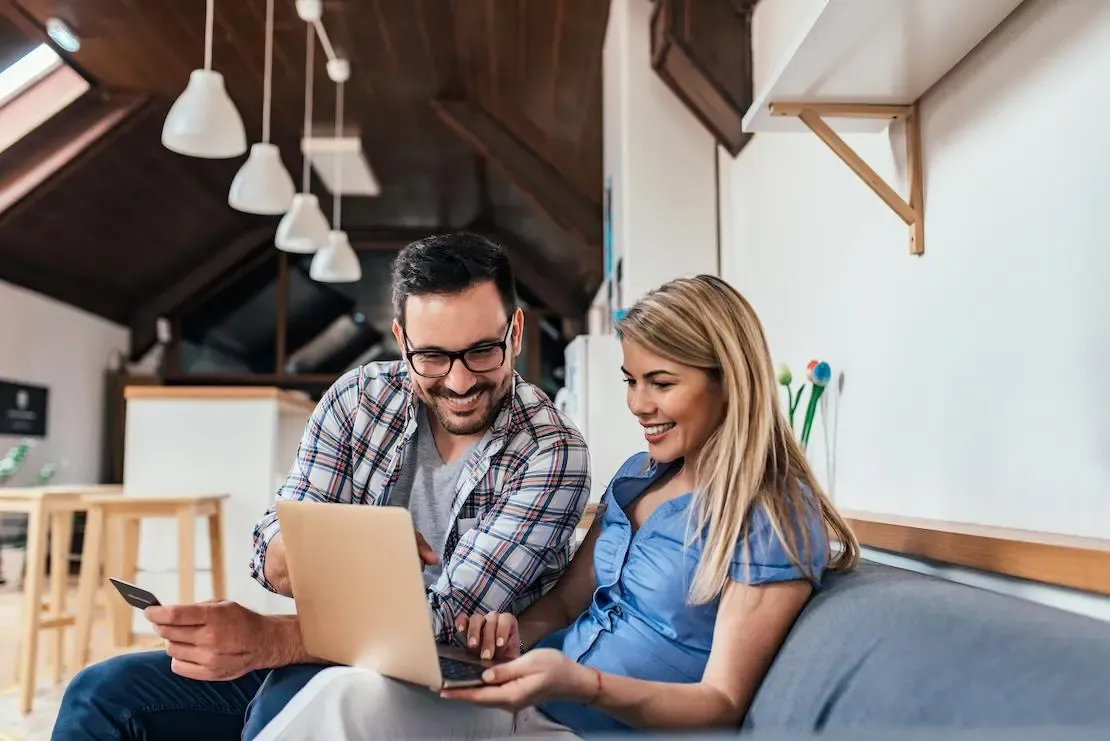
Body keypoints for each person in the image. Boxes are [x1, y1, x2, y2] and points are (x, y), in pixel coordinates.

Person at [247, 274, 861, 739]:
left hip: (591, 725)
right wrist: (514, 632)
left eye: (662, 383)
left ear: (730, 379)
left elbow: (722, 701)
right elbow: (566, 601)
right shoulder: (639, 479)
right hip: (534, 701)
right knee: (351, 695)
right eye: (630, 380)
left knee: (353, 705)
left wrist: (585, 684)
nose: (639, 405)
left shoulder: (773, 517)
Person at [51, 233, 591, 740]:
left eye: (482, 351)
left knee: (281, 703)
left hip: (440, 683)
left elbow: (445, 623)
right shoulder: (359, 398)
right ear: (402, 341)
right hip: (319, 651)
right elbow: (269, 549)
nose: (459, 381)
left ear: (516, 332)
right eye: (432, 357)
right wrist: (343, 551)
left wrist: (268, 639)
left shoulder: (551, 451)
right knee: (100, 694)